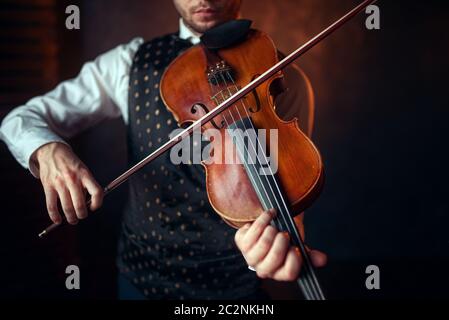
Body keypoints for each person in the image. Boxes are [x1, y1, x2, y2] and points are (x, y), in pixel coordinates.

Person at [0, 0, 326, 299]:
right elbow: (21, 119)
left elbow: (288, 214)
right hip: (141, 279)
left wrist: (268, 254)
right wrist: (48, 149)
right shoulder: (130, 63)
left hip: (237, 290)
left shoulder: (281, 76)